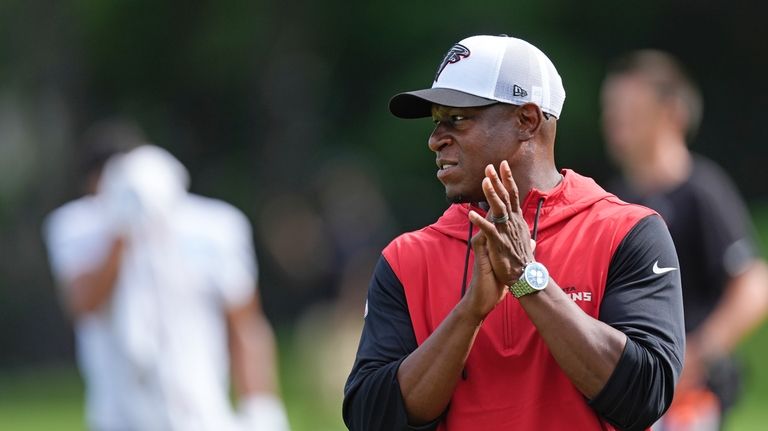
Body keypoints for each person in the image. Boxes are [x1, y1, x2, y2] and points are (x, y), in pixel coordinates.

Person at [342, 35, 685, 431]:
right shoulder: (405, 258)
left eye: (457, 118)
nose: (435, 139)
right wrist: (469, 313)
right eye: (437, 122)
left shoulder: (627, 232)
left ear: (527, 120)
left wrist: (527, 279)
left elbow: (647, 396)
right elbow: (371, 418)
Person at [42, 121, 290, 431]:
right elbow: (83, 303)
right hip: (119, 418)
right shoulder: (78, 226)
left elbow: (245, 324)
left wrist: (261, 409)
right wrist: (122, 233)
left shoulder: (214, 227)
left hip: (201, 416)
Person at [601, 50, 768, 429]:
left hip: (686, 399)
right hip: (629, 392)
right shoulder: (613, 200)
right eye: (610, 107)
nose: (614, 118)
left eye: (629, 107)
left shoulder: (700, 191)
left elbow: (754, 284)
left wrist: (697, 354)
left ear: (671, 113)